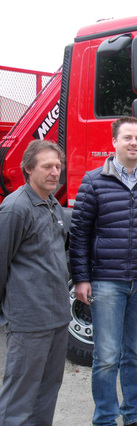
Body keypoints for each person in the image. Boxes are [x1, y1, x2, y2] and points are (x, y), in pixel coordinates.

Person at [69, 116, 137, 426]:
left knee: (134, 354)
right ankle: (104, 418)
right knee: (105, 358)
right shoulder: (93, 181)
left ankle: (132, 415)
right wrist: (81, 278)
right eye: (127, 137)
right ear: (113, 142)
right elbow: (80, 235)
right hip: (106, 283)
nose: (133, 143)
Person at [0, 140, 71, 425]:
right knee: (19, 397)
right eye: (47, 167)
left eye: (58, 166)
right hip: (29, 321)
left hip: (56, 317)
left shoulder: (52, 203)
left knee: (46, 392)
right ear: (29, 168)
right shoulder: (15, 208)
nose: (55, 172)